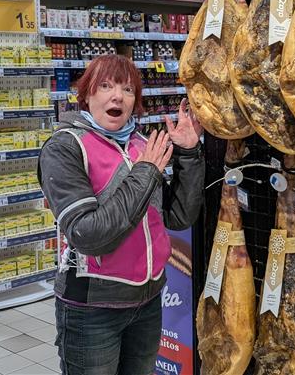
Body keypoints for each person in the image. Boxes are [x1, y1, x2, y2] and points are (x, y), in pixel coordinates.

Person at [38, 54, 205, 375]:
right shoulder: (65, 147)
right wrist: (145, 172)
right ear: (86, 95)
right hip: (92, 309)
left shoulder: (142, 145)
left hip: (148, 301)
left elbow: (177, 216)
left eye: (128, 90)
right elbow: (88, 234)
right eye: (105, 86)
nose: (118, 96)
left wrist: (188, 154)